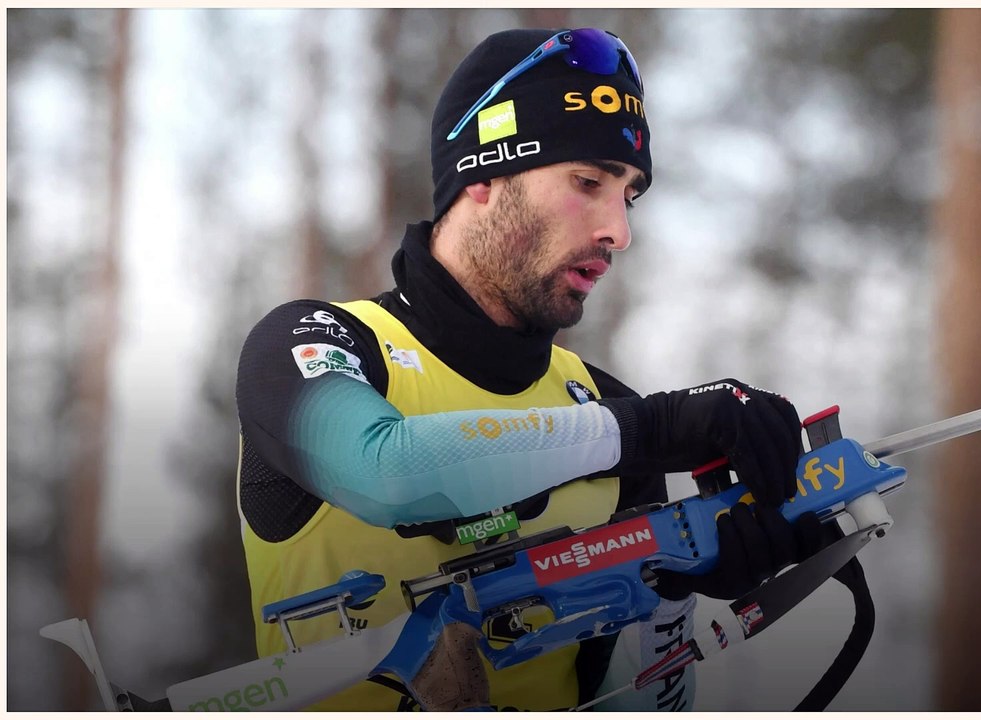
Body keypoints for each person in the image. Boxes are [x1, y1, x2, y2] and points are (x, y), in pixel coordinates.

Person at [234, 27, 825, 711]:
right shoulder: (318, 342)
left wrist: (676, 591)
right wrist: (645, 430)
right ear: (483, 175)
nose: (619, 231)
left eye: (628, 195)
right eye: (587, 182)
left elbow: (634, 695)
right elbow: (388, 474)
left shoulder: (605, 402)